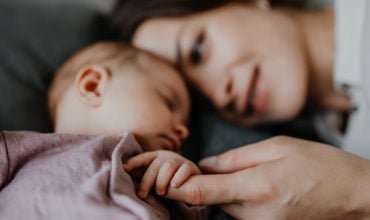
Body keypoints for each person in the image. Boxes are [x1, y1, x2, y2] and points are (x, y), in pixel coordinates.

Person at [111, 0, 370, 219]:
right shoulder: (334, 142)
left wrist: (356, 190)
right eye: (197, 98)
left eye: (198, 50)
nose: (219, 96)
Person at [0, 41, 209, 220]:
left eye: (185, 122)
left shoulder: (156, 184)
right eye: (168, 102)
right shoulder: (24, 150)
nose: (183, 131)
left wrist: (184, 182)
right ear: (93, 86)